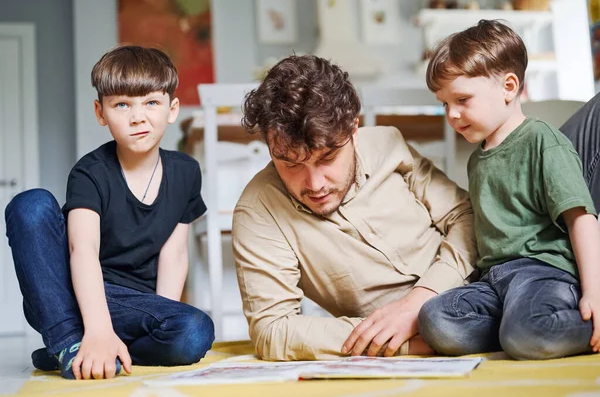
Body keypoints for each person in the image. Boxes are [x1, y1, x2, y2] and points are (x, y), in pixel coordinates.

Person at [232, 54, 478, 360]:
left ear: (353, 129)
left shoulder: (388, 143)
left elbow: (464, 215)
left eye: (327, 158)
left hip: (489, 276)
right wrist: (402, 341)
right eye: (290, 164)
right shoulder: (258, 212)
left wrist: (417, 303)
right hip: (444, 328)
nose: (315, 183)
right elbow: (273, 331)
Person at [5, 45, 214, 380]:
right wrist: (99, 327)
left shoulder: (186, 172)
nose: (138, 117)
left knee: (195, 330)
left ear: (172, 109)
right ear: (101, 113)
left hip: (134, 306)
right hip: (65, 294)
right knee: (30, 203)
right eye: (121, 105)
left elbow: (174, 254)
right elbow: (82, 249)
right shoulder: (90, 173)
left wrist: (163, 315)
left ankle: (69, 349)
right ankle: (72, 341)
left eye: (151, 103)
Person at [418, 20, 600, 360]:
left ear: (508, 86)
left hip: (542, 273)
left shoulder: (542, 141)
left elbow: (581, 219)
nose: (452, 115)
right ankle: (518, 331)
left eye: (462, 99)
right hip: (493, 281)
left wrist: (594, 291)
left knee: (527, 332)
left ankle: (532, 330)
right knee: (435, 319)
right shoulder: (478, 159)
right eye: (444, 104)